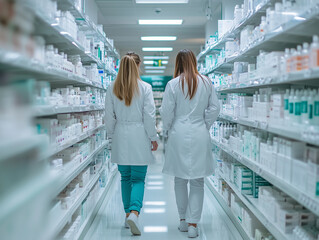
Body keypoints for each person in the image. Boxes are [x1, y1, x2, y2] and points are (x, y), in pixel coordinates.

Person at [160, 49, 220, 238]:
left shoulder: (173, 84)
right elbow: (215, 108)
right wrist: (204, 124)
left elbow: (166, 112)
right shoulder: (206, 82)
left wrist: (169, 128)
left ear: (178, 63)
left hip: (178, 132)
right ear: (194, 61)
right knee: (197, 181)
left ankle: (183, 221)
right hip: (199, 131)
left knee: (179, 179)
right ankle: (194, 224)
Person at [105, 52, 159, 236]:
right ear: (138, 66)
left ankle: (127, 214)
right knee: (138, 178)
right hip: (139, 135)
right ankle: (134, 213)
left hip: (120, 134)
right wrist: (153, 137)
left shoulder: (112, 88)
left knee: (125, 178)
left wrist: (112, 138)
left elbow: (109, 118)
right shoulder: (145, 88)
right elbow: (150, 117)